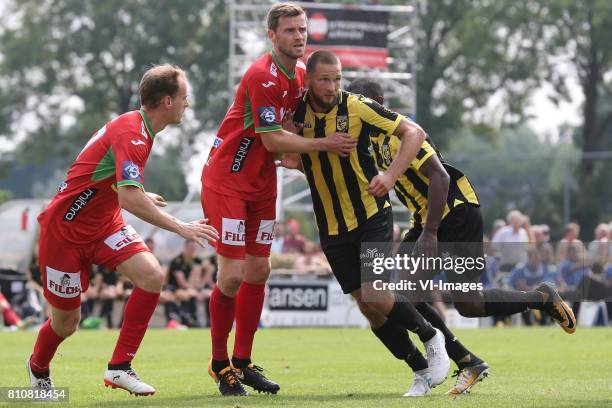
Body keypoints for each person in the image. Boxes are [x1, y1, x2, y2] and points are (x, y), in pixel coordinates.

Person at [344, 77, 577, 393]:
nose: (354, 111)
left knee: (459, 301)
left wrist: (430, 233)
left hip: (455, 214)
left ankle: (524, 313)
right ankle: (528, 309)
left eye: (360, 103)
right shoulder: (370, 142)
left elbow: (439, 176)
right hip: (425, 220)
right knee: (406, 292)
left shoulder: (400, 132)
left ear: (377, 104)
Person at [27, 64, 219, 397]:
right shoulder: (133, 133)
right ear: (168, 101)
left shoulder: (141, 129)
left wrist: (140, 194)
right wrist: (180, 227)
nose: (188, 102)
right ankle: (38, 368)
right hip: (65, 232)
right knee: (66, 323)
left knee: (151, 275)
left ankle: (119, 367)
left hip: (104, 224)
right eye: (185, 96)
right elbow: (128, 197)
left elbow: (119, 185)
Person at [200, 2, 356, 397]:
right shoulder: (261, 76)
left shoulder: (303, 75)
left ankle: (243, 361)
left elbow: (286, 141)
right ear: (272, 36)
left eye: (302, 29)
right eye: (289, 30)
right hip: (228, 181)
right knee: (232, 275)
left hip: (263, 183)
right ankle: (220, 365)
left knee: (260, 272)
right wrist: (322, 146)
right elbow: (272, 139)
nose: (298, 36)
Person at [280, 50, 452, 398]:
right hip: (330, 224)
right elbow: (289, 157)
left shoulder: (357, 106)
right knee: (368, 306)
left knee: (375, 291)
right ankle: (419, 371)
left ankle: (432, 336)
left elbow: (414, 133)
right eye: (325, 80)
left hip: (371, 214)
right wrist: (298, 148)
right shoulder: (296, 113)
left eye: (337, 79)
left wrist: (390, 176)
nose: (331, 87)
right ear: (309, 80)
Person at [167, 239, 204, 327]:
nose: (192, 250)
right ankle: (186, 319)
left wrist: (199, 289)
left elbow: (198, 278)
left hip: (191, 287)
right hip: (175, 288)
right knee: (187, 294)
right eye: (190, 248)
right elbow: (182, 283)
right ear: (185, 247)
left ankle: (199, 320)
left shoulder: (197, 260)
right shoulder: (177, 261)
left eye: (194, 248)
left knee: (207, 294)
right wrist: (193, 290)